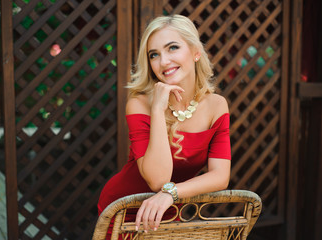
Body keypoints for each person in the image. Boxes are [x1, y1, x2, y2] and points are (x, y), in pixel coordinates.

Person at [97, 14, 231, 238]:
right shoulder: (139, 103)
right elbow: (158, 180)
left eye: (173, 48)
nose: (164, 62)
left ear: (196, 52)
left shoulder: (217, 106)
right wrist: (158, 109)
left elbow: (220, 176)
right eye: (154, 55)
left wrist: (171, 194)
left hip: (167, 209)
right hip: (124, 213)